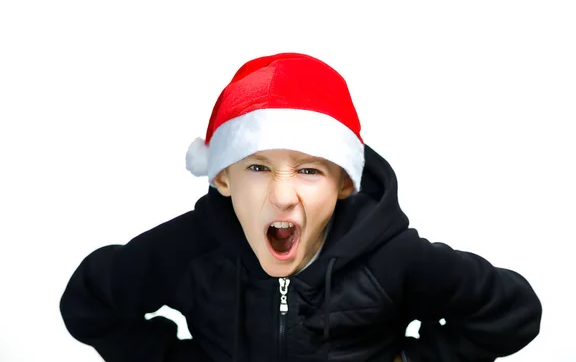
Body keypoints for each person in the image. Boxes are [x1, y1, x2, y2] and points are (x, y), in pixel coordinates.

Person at [59, 52, 542, 361]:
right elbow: (89, 303)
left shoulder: (391, 257)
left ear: (344, 184)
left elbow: (512, 312)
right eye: (258, 167)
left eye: (309, 170)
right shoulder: (193, 249)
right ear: (223, 177)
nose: (283, 195)